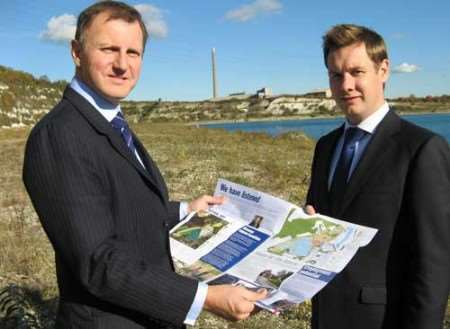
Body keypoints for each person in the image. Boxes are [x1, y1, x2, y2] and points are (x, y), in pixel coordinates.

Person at [22, 2, 266, 329]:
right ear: (76, 52)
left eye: (133, 52)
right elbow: (98, 262)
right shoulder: (60, 135)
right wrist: (203, 298)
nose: (122, 65)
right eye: (109, 49)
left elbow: (115, 209)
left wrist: (183, 210)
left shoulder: (110, 121)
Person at [306, 24, 449, 329]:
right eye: (335, 75)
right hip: (325, 316)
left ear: (383, 70)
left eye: (357, 72)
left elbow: (433, 264)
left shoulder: (422, 149)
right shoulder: (326, 147)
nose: (345, 85)